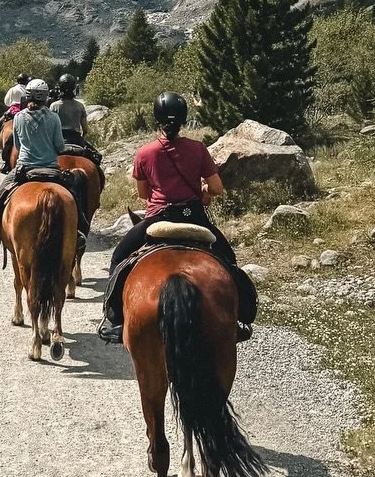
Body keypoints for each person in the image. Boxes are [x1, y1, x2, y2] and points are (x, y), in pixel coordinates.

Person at [96, 92, 256, 344]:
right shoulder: (198, 149)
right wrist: (203, 192)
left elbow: (143, 194)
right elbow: (216, 188)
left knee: (119, 258)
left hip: (157, 219)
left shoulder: (145, 152)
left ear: (156, 119)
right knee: (229, 260)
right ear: (183, 120)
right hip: (194, 217)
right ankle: (239, 319)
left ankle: (114, 320)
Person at [0, 82, 92, 250]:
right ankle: (78, 233)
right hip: (51, 169)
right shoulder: (53, 117)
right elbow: (59, 147)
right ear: (46, 97)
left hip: (25, 169)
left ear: (27, 96)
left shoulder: (19, 117)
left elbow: (18, 147)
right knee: (76, 199)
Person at [53, 72, 101, 165]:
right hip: (76, 139)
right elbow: (85, 130)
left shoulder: (53, 106)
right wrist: (82, 138)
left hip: (58, 140)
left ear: (60, 88)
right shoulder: (80, 106)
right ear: (74, 88)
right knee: (97, 158)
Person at [0, 72, 30, 146]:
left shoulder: (12, 89)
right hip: (25, 110)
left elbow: (6, 102)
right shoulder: (28, 90)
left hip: (13, 110)